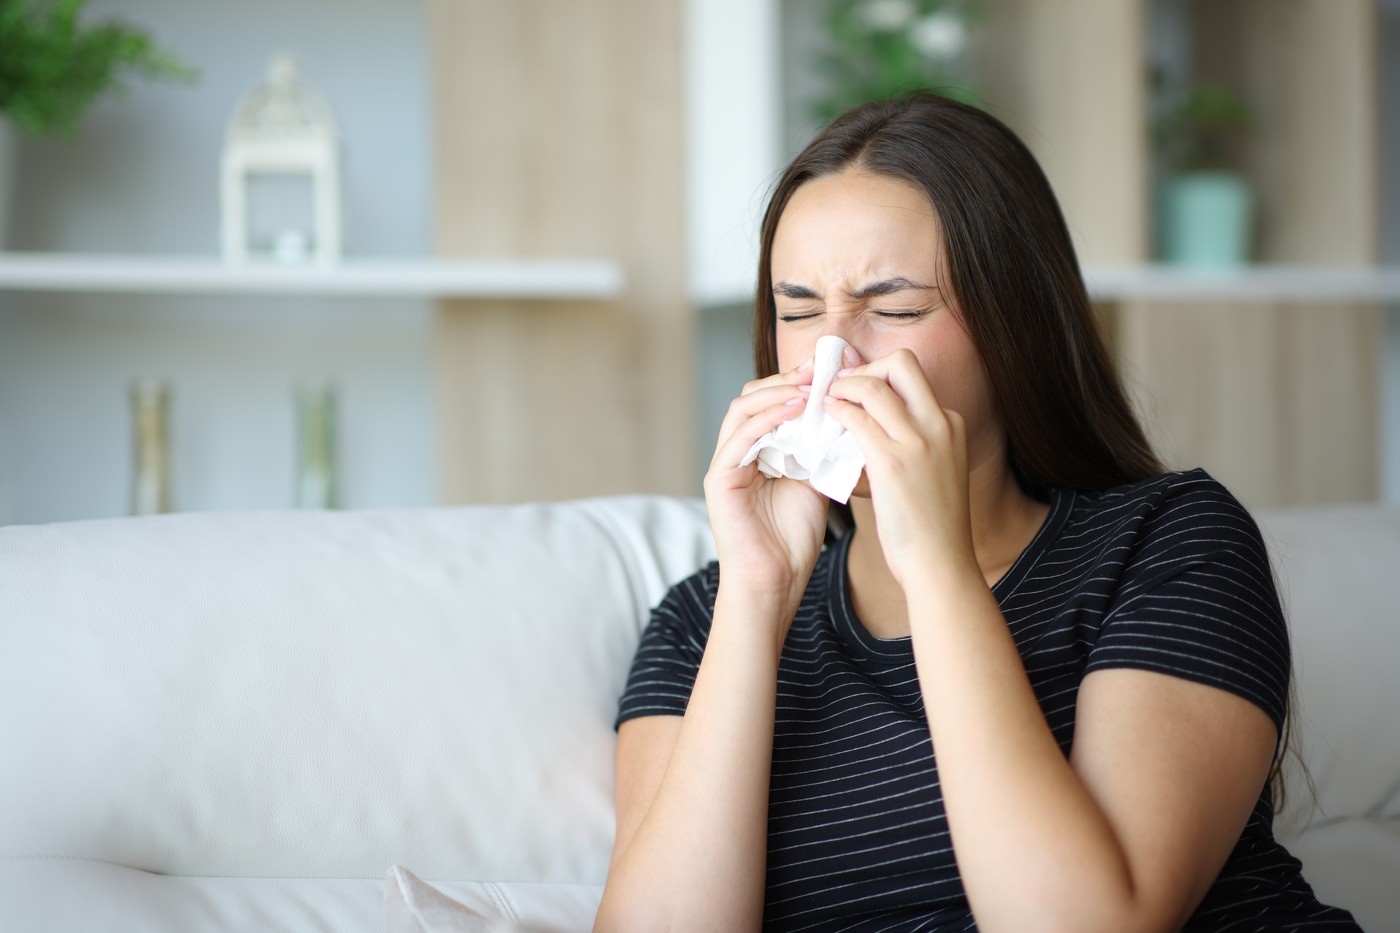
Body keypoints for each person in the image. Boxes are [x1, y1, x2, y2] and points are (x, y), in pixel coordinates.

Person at [593, 94, 1358, 931]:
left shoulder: (1169, 541)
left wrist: (936, 566)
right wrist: (755, 596)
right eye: (799, 310)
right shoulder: (701, 622)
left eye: (895, 308)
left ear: (1013, 326)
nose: (830, 358)